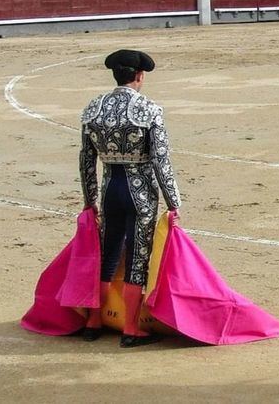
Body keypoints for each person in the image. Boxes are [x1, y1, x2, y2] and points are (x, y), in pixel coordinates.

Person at [79, 50, 181, 348]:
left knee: (106, 254)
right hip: (140, 193)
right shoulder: (150, 109)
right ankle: (131, 329)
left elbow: (86, 161)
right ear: (139, 76)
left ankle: (94, 320)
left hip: (110, 188)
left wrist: (90, 200)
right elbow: (162, 162)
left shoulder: (93, 108)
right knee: (138, 257)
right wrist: (174, 202)